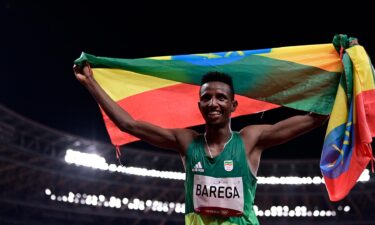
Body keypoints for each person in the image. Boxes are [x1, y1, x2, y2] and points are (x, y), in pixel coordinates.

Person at [73, 64, 328, 225]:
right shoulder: (186, 142)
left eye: (221, 97)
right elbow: (129, 125)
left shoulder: (250, 140)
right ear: (199, 106)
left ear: (233, 105)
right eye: (206, 97)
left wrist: (348, 80)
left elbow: (312, 120)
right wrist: (90, 84)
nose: (213, 103)